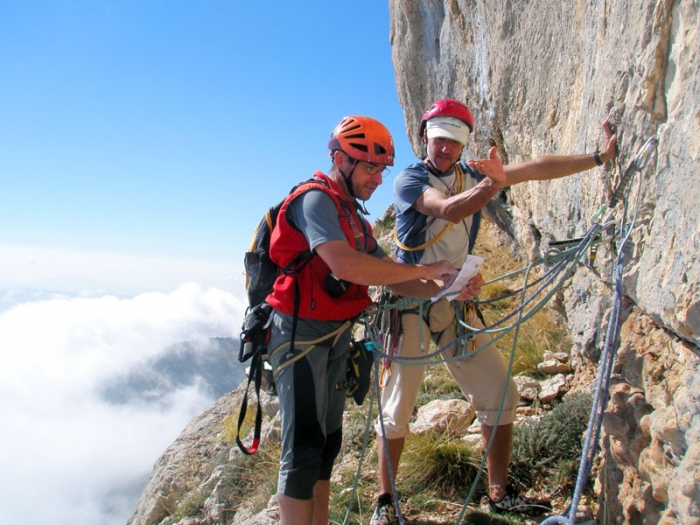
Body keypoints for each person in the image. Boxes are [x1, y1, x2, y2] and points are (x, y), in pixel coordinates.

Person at [370, 98, 618, 523]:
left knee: (501, 394)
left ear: (463, 145)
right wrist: (492, 184)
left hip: (455, 301)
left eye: (455, 141)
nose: (445, 148)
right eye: (439, 139)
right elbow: (449, 209)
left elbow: (537, 168)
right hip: (408, 302)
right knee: (396, 410)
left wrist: (599, 157)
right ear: (425, 136)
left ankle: (499, 493)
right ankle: (385, 504)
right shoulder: (411, 179)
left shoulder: (471, 175)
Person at [265, 115, 463, 525]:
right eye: (370, 167)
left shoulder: (353, 217)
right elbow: (346, 265)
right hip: (299, 336)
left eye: (381, 169)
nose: (377, 178)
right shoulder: (315, 201)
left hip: (335, 337)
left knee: (327, 446)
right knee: (302, 451)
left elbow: (393, 274)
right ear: (341, 160)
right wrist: (424, 270)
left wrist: (448, 285)